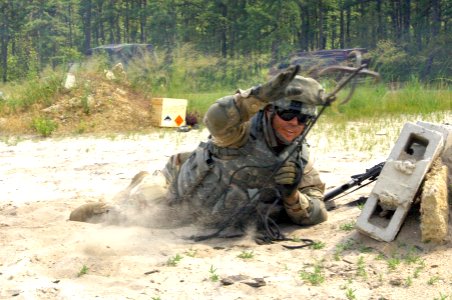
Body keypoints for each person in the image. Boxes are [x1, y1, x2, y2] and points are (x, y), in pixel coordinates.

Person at [70, 65, 329, 241]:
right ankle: (142, 181)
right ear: (270, 111)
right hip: (179, 195)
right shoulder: (240, 132)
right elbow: (216, 120)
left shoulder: (297, 159)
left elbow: (317, 210)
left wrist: (293, 195)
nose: (295, 124)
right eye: (288, 114)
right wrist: (255, 97)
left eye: (303, 119)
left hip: (216, 216)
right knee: (138, 215)